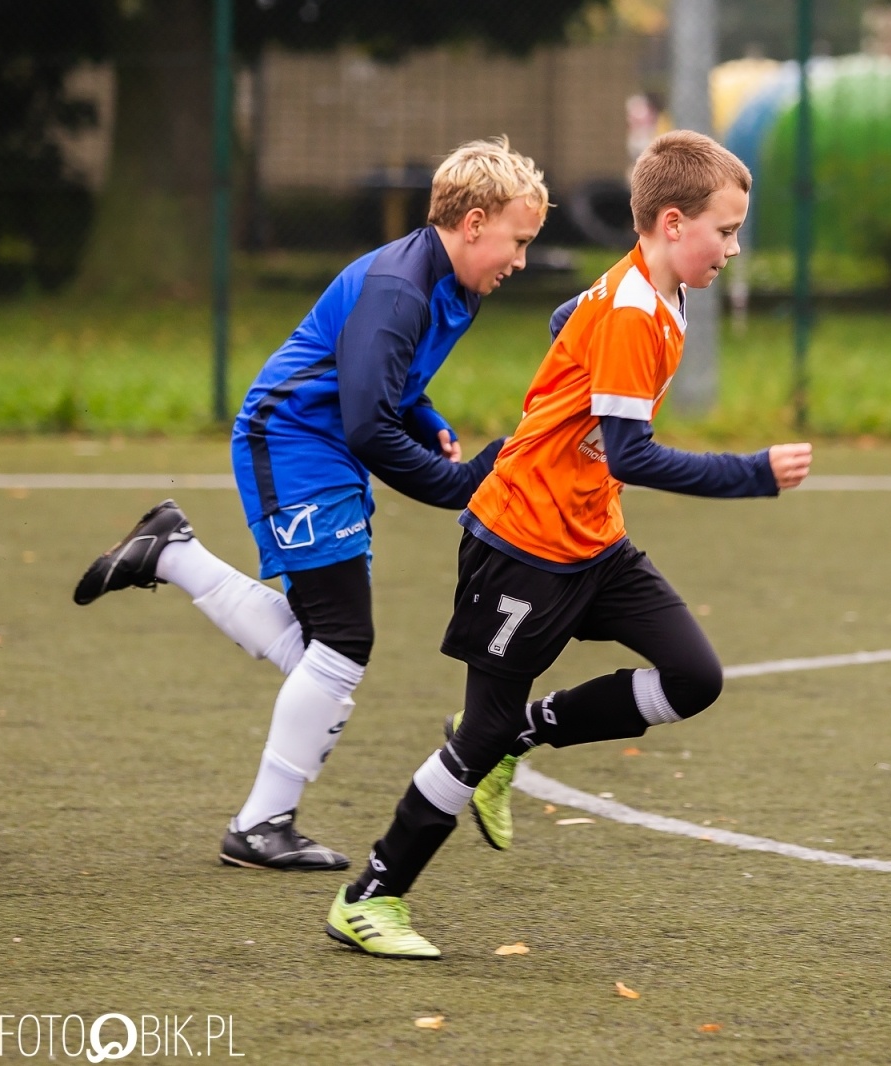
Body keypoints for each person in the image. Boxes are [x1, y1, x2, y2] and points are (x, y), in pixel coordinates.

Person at [324, 130, 813, 959]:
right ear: (669, 222)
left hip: (593, 540)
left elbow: (567, 319)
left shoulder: (654, 292)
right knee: (474, 735)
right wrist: (750, 473)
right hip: (522, 543)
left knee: (694, 678)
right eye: (724, 231)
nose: (733, 248)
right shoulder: (630, 309)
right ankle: (372, 895)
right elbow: (632, 454)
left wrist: (570, 364)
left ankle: (528, 734)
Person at [71, 137, 549, 871]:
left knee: (325, 642)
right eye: (517, 241)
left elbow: (386, 379)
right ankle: (260, 824)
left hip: (323, 447)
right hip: (293, 442)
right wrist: (460, 483)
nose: (519, 260)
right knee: (341, 643)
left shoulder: (454, 284)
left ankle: (172, 553)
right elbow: (363, 420)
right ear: (475, 222)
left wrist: (426, 419)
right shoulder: (402, 288)